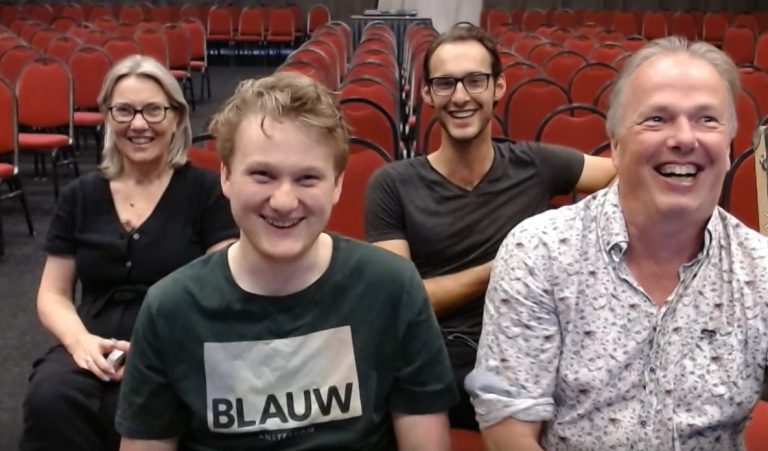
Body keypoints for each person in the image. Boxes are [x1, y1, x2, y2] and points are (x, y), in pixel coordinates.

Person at [115, 71, 458, 451]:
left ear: (337, 185)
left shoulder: (393, 288)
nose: (283, 201)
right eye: (262, 175)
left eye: (307, 178)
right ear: (226, 176)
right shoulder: (170, 308)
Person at [467, 36, 768, 450]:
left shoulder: (760, 270)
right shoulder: (540, 252)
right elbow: (509, 431)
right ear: (616, 145)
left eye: (707, 120)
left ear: (730, 146)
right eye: (657, 119)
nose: (685, 138)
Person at [364, 24, 616, 430]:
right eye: (445, 83)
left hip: (531, 346)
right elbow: (402, 298)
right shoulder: (393, 184)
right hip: (441, 353)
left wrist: (578, 240)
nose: (460, 96)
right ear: (427, 93)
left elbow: (626, 177)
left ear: (498, 86)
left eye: (475, 81)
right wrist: (508, 266)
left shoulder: (535, 164)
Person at [20, 55, 238, 451]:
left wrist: (156, 349)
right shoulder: (80, 195)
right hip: (92, 337)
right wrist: (80, 343)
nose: (138, 124)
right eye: (124, 110)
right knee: (51, 399)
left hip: (177, 338)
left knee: (143, 405)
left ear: (176, 116)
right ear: (107, 116)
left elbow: (222, 291)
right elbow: (53, 293)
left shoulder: (207, 192)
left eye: (153, 110)